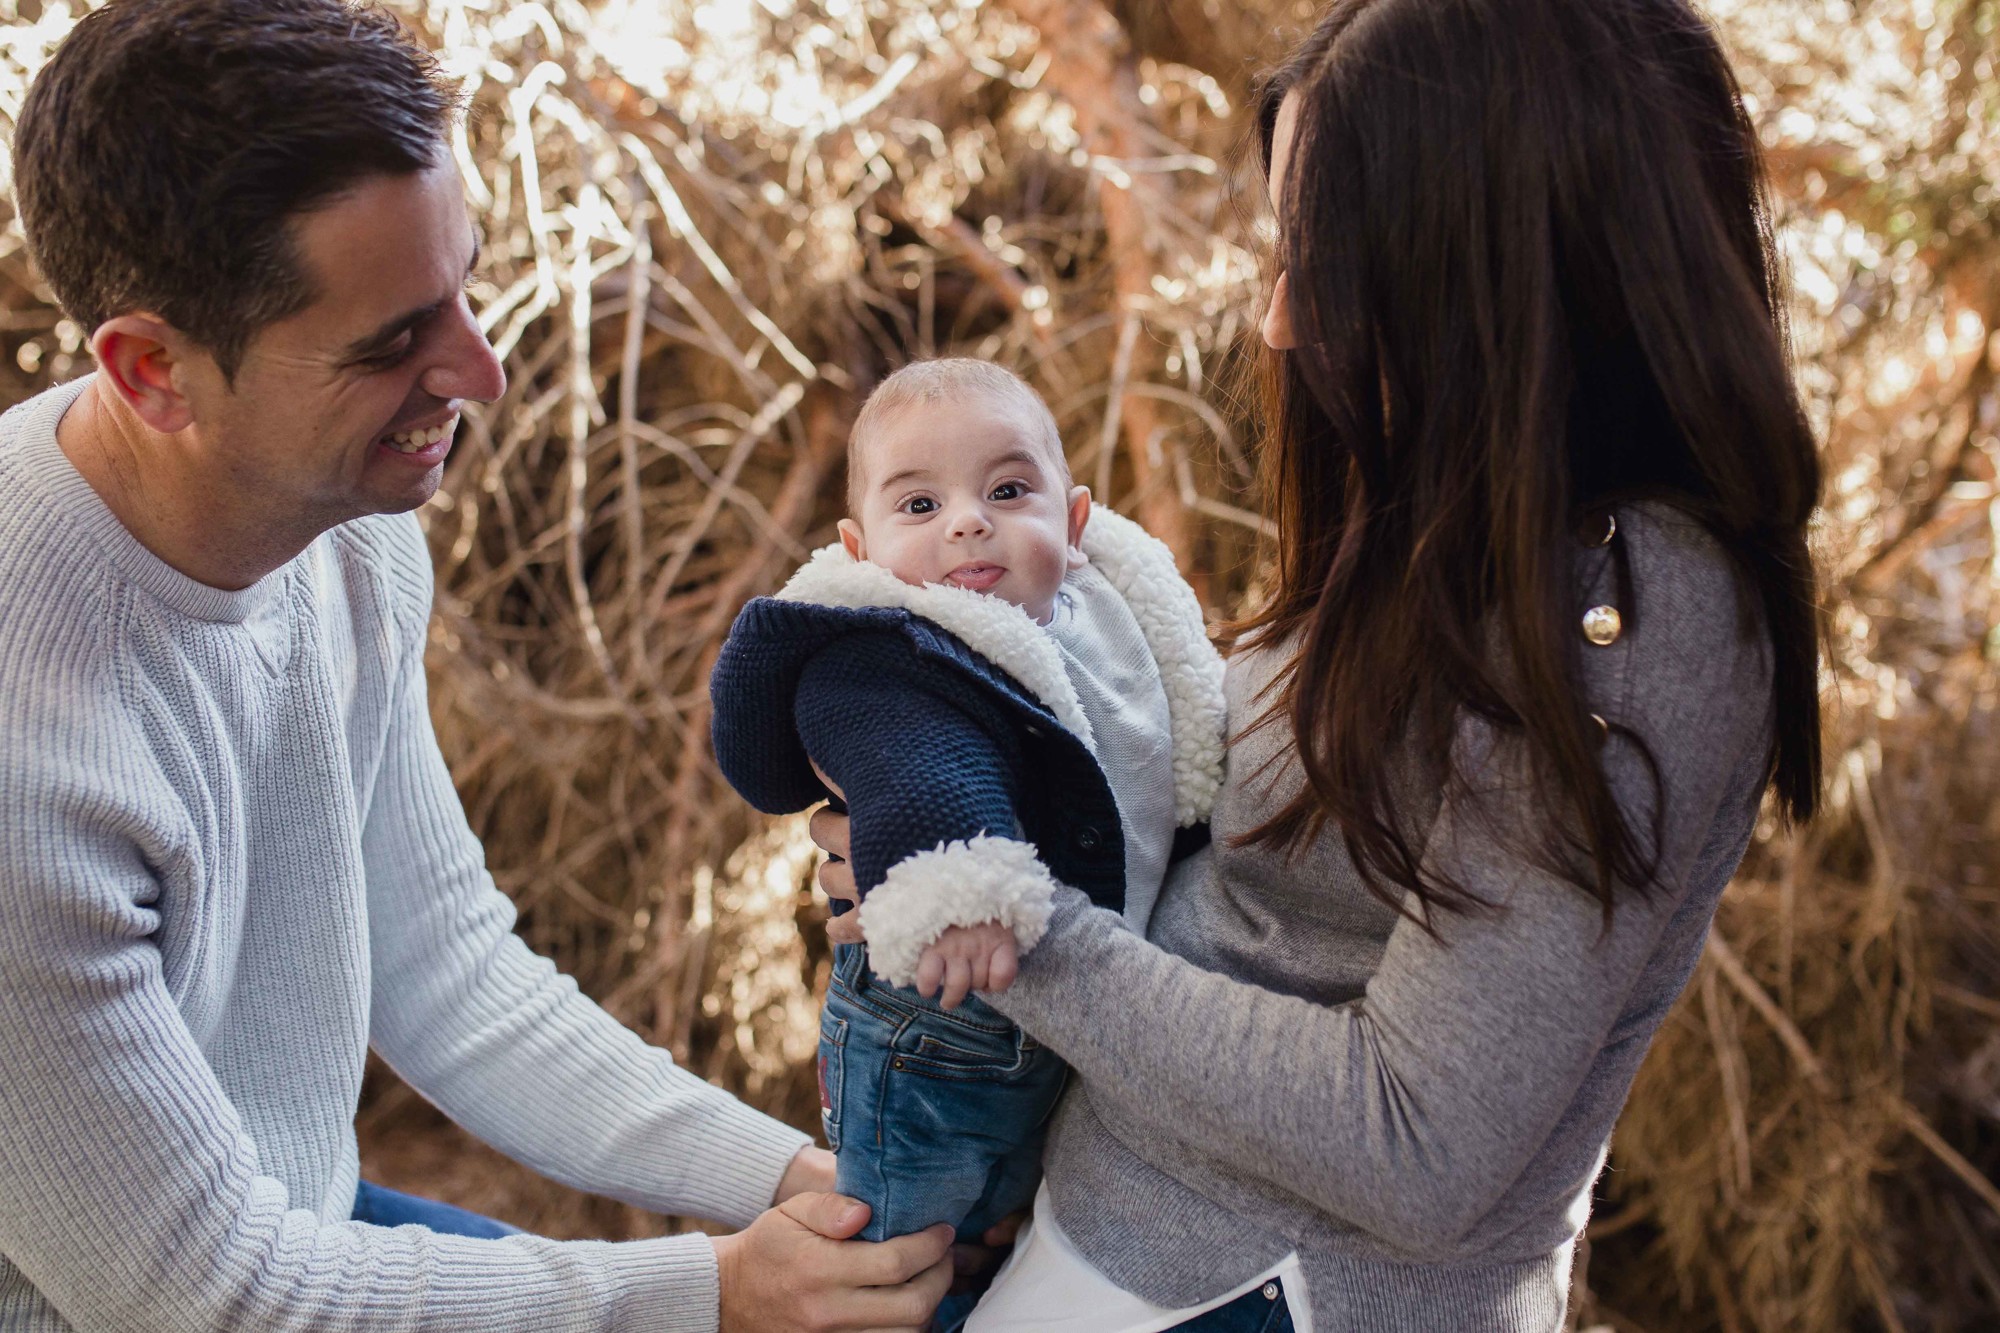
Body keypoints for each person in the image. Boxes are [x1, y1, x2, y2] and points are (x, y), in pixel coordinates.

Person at [807, 0, 1824, 1329]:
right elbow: (1255, 904)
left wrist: (995, 922)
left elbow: (1419, 1140)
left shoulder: (1634, 610)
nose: (1281, 319)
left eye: (1324, 259)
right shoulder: (1458, 521)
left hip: (1259, 1293)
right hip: (1110, 1244)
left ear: (1490, 262)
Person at [0, 2, 952, 1329]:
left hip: (292, 1221)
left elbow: (443, 964)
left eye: (466, 286)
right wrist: (719, 1295)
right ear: (153, 367)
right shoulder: (28, 752)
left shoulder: (343, 528)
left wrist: (790, 1182)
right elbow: (207, 1295)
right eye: (393, 342)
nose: (481, 371)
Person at [707, 359, 1226, 1253]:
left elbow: (1174, 735)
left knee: (1003, 1242)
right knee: (905, 1250)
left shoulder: (1106, 616)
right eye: (919, 506)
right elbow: (915, 759)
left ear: (1073, 520)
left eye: (1008, 488)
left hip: (1073, 1019)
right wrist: (958, 887)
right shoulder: (888, 644)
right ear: (861, 547)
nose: (968, 519)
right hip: (937, 1028)